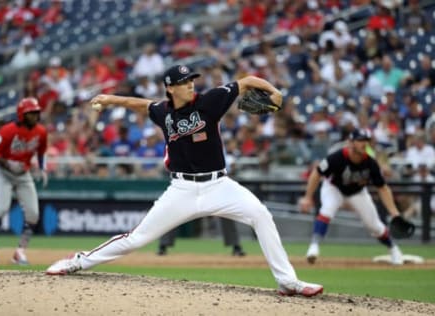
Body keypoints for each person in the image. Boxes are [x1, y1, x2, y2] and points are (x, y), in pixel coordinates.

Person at [46, 64, 323, 297]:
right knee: (136, 238)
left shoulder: (211, 100)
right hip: (182, 189)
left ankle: (287, 281)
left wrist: (274, 92)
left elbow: (248, 81)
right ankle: (78, 262)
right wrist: (110, 99)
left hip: (219, 186)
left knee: (261, 215)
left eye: (191, 80)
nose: (190, 85)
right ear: (170, 88)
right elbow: (141, 105)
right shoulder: (163, 112)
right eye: (183, 82)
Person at [298, 128, 405, 265]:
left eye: (366, 140)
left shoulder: (371, 163)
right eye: (360, 140)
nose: (364, 143)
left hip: (357, 192)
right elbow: (317, 173)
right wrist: (307, 197)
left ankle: (394, 248)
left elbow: (382, 188)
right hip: (334, 188)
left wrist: (394, 212)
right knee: (327, 210)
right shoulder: (337, 157)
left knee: (374, 225)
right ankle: (314, 246)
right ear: (351, 142)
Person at [0, 97, 48, 265]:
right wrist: (7, 163)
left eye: (36, 112)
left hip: (23, 174)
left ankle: (20, 252)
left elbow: (41, 151)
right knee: (2, 208)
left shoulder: (41, 131)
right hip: (3, 172)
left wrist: (42, 168)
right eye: (30, 113)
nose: (34, 116)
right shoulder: (7, 130)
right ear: (21, 114)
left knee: (34, 214)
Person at [157, 218, 246, 257]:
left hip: (211, 186)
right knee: (173, 209)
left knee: (226, 211)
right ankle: (163, 245)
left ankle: (236, 246)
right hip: (189, 186)